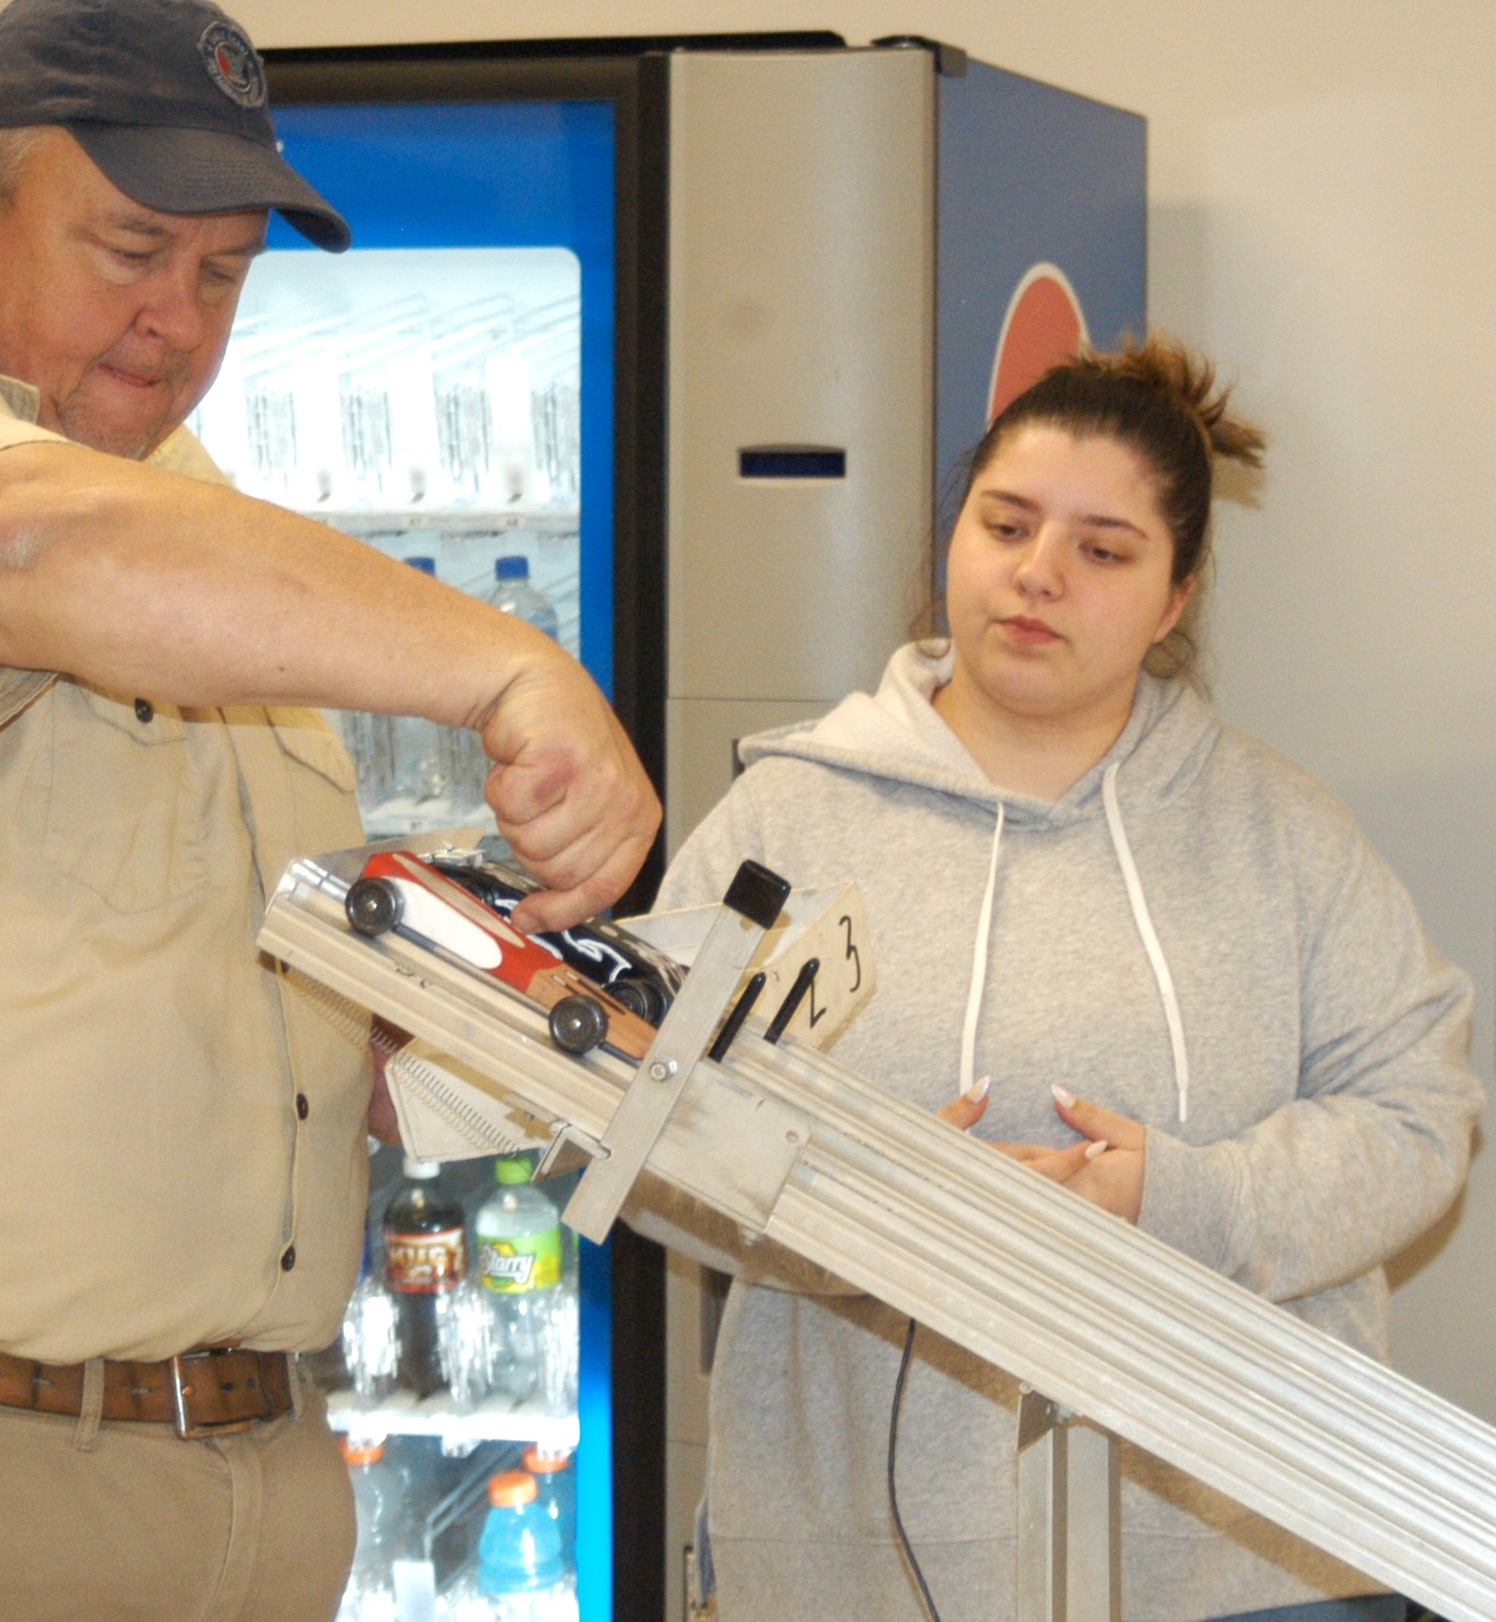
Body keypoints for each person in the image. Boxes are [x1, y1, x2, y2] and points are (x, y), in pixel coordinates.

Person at [0, 0, 656, 1622]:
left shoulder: (200, 522)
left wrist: (483, 1041)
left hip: (236, 1478)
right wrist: (510, 667)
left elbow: (227, 982)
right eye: (130, 248)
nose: (179, 316)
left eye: (221, 272)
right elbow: (24, 548)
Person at [631, 339, 1479, 1622]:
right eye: (1007, 524)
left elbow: (1420, 1121)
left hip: (1250, 1570)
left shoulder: (1282, 836)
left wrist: (1181, 1201)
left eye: (1104, 550)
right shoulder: (780, 821)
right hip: (848, 1570)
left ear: (1176, 597)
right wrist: (859, 1211)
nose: (1038, 574)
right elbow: (637, 1131)